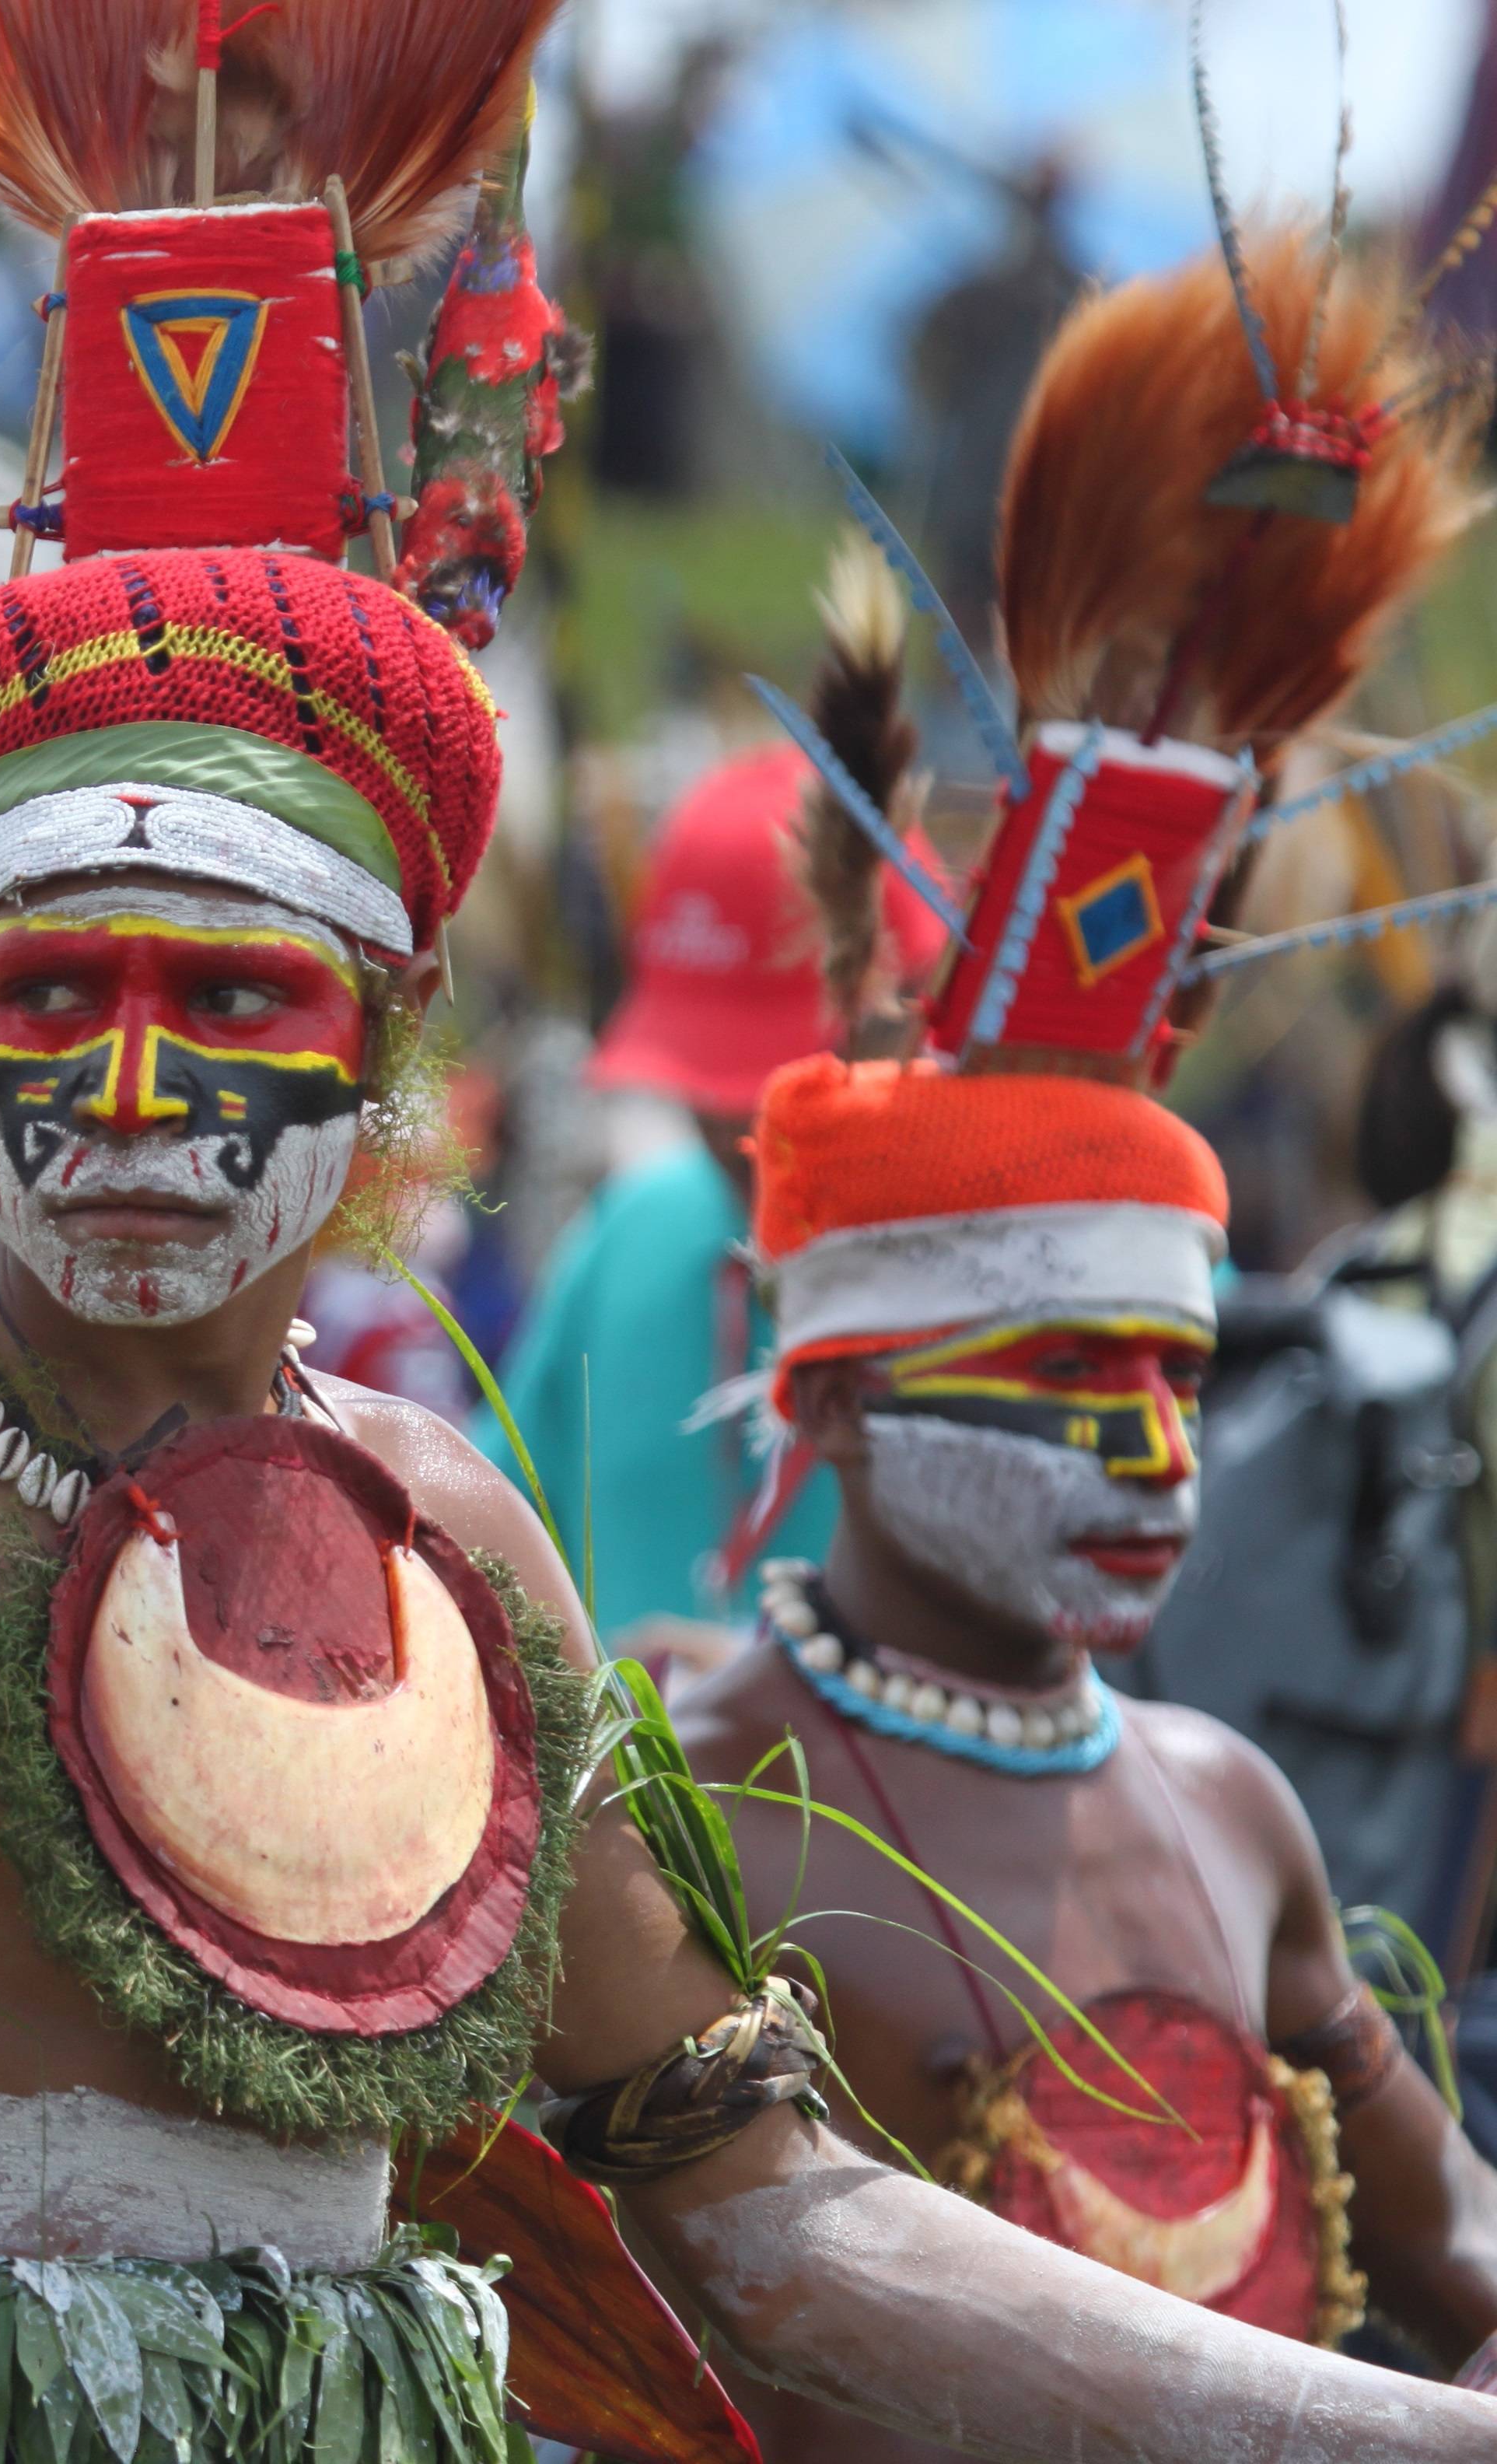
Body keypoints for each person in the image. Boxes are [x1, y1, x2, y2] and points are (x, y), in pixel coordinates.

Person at [0, 12, 1497, 2456]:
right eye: (48, 992)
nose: (123, 1091)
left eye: (224, 994)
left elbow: (771, 2221)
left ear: (391, 1019)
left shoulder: (458, 1549)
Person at [673, 188, 1497, 2459]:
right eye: (1061, 1384)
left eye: (1175, 1377)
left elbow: (1459, 2263)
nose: (1154, 1455)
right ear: (828, 1391)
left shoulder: (1233, 1808)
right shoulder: (693, 1814)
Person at [486, 730, 947, 1654]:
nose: (749, 1140)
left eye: (791, 1088)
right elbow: (475, 1535)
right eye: (711, 1089)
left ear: (918, 1023)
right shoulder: (633, 1233)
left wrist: (764, 1693)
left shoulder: (1054, 1288)